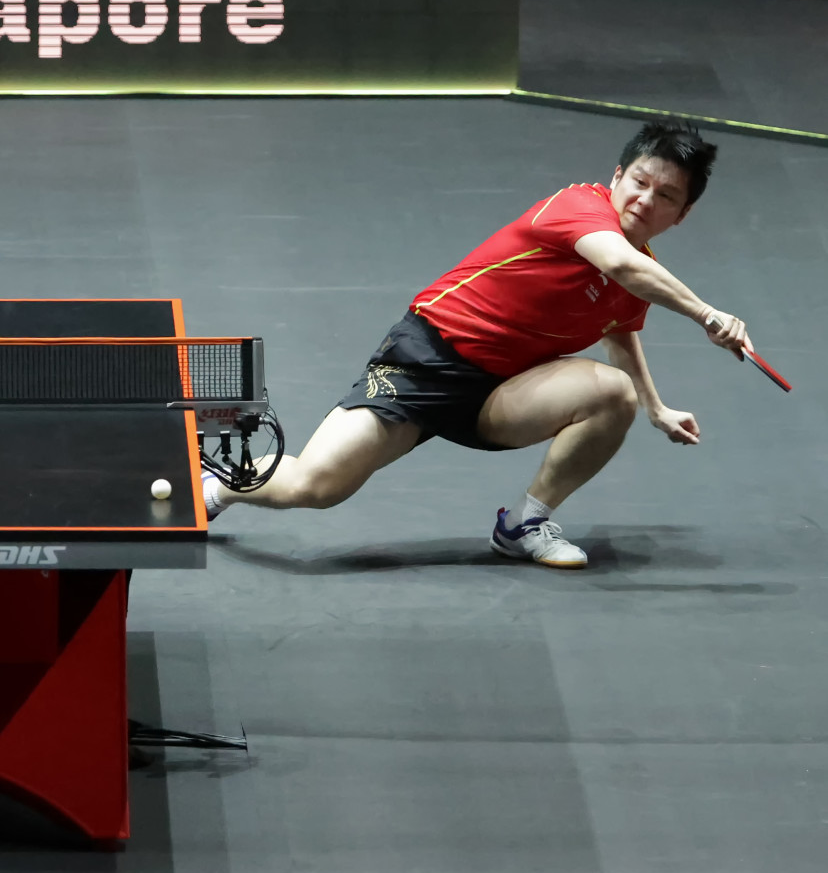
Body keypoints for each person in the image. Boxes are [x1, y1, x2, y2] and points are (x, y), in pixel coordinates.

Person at [203, 121, 753, 568]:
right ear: (616, 176)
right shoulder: (578, 208)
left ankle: (523, 525)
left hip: (502, 394)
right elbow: (618, 263)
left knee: (614, 393)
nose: (644, 199)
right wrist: (707, 314)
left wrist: (655, 409)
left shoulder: (642, 273)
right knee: (316, 486)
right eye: (639, 181)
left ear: (682, 215)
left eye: (666, 195)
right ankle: (218, 488)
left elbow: (621, 332)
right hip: (424, 364)